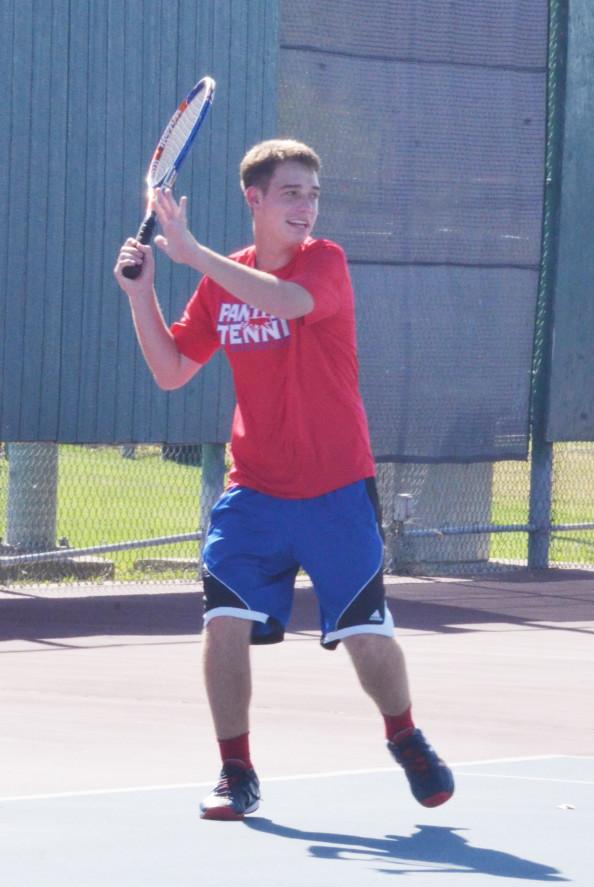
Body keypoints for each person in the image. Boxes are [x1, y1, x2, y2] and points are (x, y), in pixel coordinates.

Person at [114, 138, 454, 820]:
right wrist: (142, 293)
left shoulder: (323, 263)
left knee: (364, 635)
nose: (306, 206)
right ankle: (235, 769)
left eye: (313, 194)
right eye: (291, 193)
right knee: (222, 622)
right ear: (256, 200)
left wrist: (190, 252)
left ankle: (404, 735)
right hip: (255, 493)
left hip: (335, 489)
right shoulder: (220, 284)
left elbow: (291, 302)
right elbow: (172, 369)